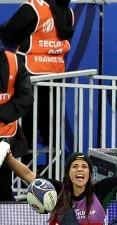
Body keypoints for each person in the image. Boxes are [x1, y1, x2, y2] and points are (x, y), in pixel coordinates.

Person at [0, 0, 73, 146]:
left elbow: (8, 35)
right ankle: (51, 167)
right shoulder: (68, 11)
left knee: (26, 126)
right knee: (51, 127)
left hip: (29, 73)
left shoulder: (33, 7)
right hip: (55, 75)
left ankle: (25, 166)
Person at [0, 50, 33, 201]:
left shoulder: (13, 60)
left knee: (2, 189)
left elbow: (26, 96)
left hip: (4, 137)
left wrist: (2, 114)